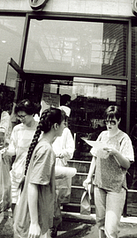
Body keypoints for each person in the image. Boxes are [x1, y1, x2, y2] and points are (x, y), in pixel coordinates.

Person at [13, 107, 66, 238]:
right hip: (34, 218)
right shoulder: (46, 149)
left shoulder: (41, 144)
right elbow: (33, 184)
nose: (65, 127)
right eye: (64, 123)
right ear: (55, 126)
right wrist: (35, 223)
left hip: (32, 215)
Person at [83, 105, 134, 238]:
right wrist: (89, 178)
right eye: (107, 121)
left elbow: (127, 164)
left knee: (111, 228)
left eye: (113, 121)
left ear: (119, 120)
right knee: (100, 223)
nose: (109, 125)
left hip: (116, 187)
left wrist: (116, 153)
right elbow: (95, 157)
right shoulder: (102, 135)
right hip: (99, 184)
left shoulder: (124, 138)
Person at [0, 99, 41, 216]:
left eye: (24, 116)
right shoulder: (17, 129)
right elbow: (14, 150)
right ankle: (16, 228)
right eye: (19, 116)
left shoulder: (40, 129)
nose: (21, 119)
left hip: (33, 171)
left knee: (30, 204)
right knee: (14, 201)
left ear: (32, 114)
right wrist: (6, 151)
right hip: (17, 170)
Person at [50, 95, 75, 237]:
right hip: (47, 165)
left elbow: (71, 151)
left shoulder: (66, 132)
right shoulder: (50, 129)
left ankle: (54, 225)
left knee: (56, 197)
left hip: (58, 165)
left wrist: (59, 154)